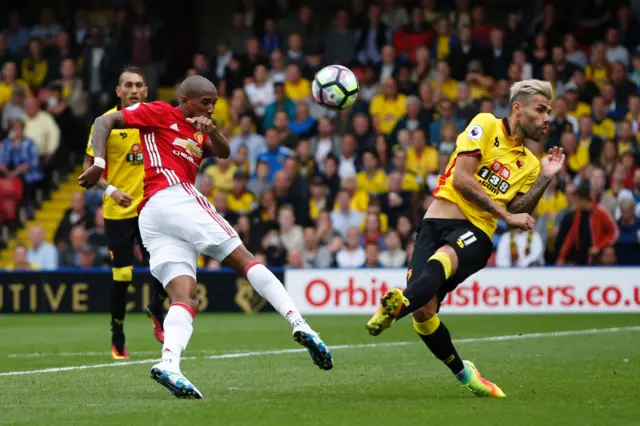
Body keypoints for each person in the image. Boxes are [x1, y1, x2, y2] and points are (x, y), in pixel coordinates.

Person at [79, 75, 332, 400]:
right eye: (205, 102)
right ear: (184, 100)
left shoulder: (199, 129)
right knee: (244, 259)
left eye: (214, 102)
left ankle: (169, 363)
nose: (211, 107)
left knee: (186, 296)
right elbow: (105, 120)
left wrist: (210, 127)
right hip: (172, 196)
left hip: (154, 217)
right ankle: (300, 324)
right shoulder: (160, 113)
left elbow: (223, 152)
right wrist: (100, 163)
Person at [365, 80, 565, 398]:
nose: (546, 119)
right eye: (540, 110)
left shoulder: (528, 163)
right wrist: (508, 216)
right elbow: (461, 179)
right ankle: (465, 373)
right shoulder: (485, 123)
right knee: (425, 312)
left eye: (549, 112)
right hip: (434, 223)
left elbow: (517, 209)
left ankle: (396, 307)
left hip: (477, 233)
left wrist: (544, 177)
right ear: (518, 108)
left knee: (442, 260)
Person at [83, 67, 169, 360]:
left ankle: (158, 310)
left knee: (161, 264)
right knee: (122, 275)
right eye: (128, 85)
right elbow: (88, 170)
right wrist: (111, 191)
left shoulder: (155, 121)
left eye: (139, 85)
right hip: (117, 211)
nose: (134, 90)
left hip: (151, 209)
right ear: (118, 91)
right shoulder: (105, 124)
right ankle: (117, 333)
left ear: (146, 91)